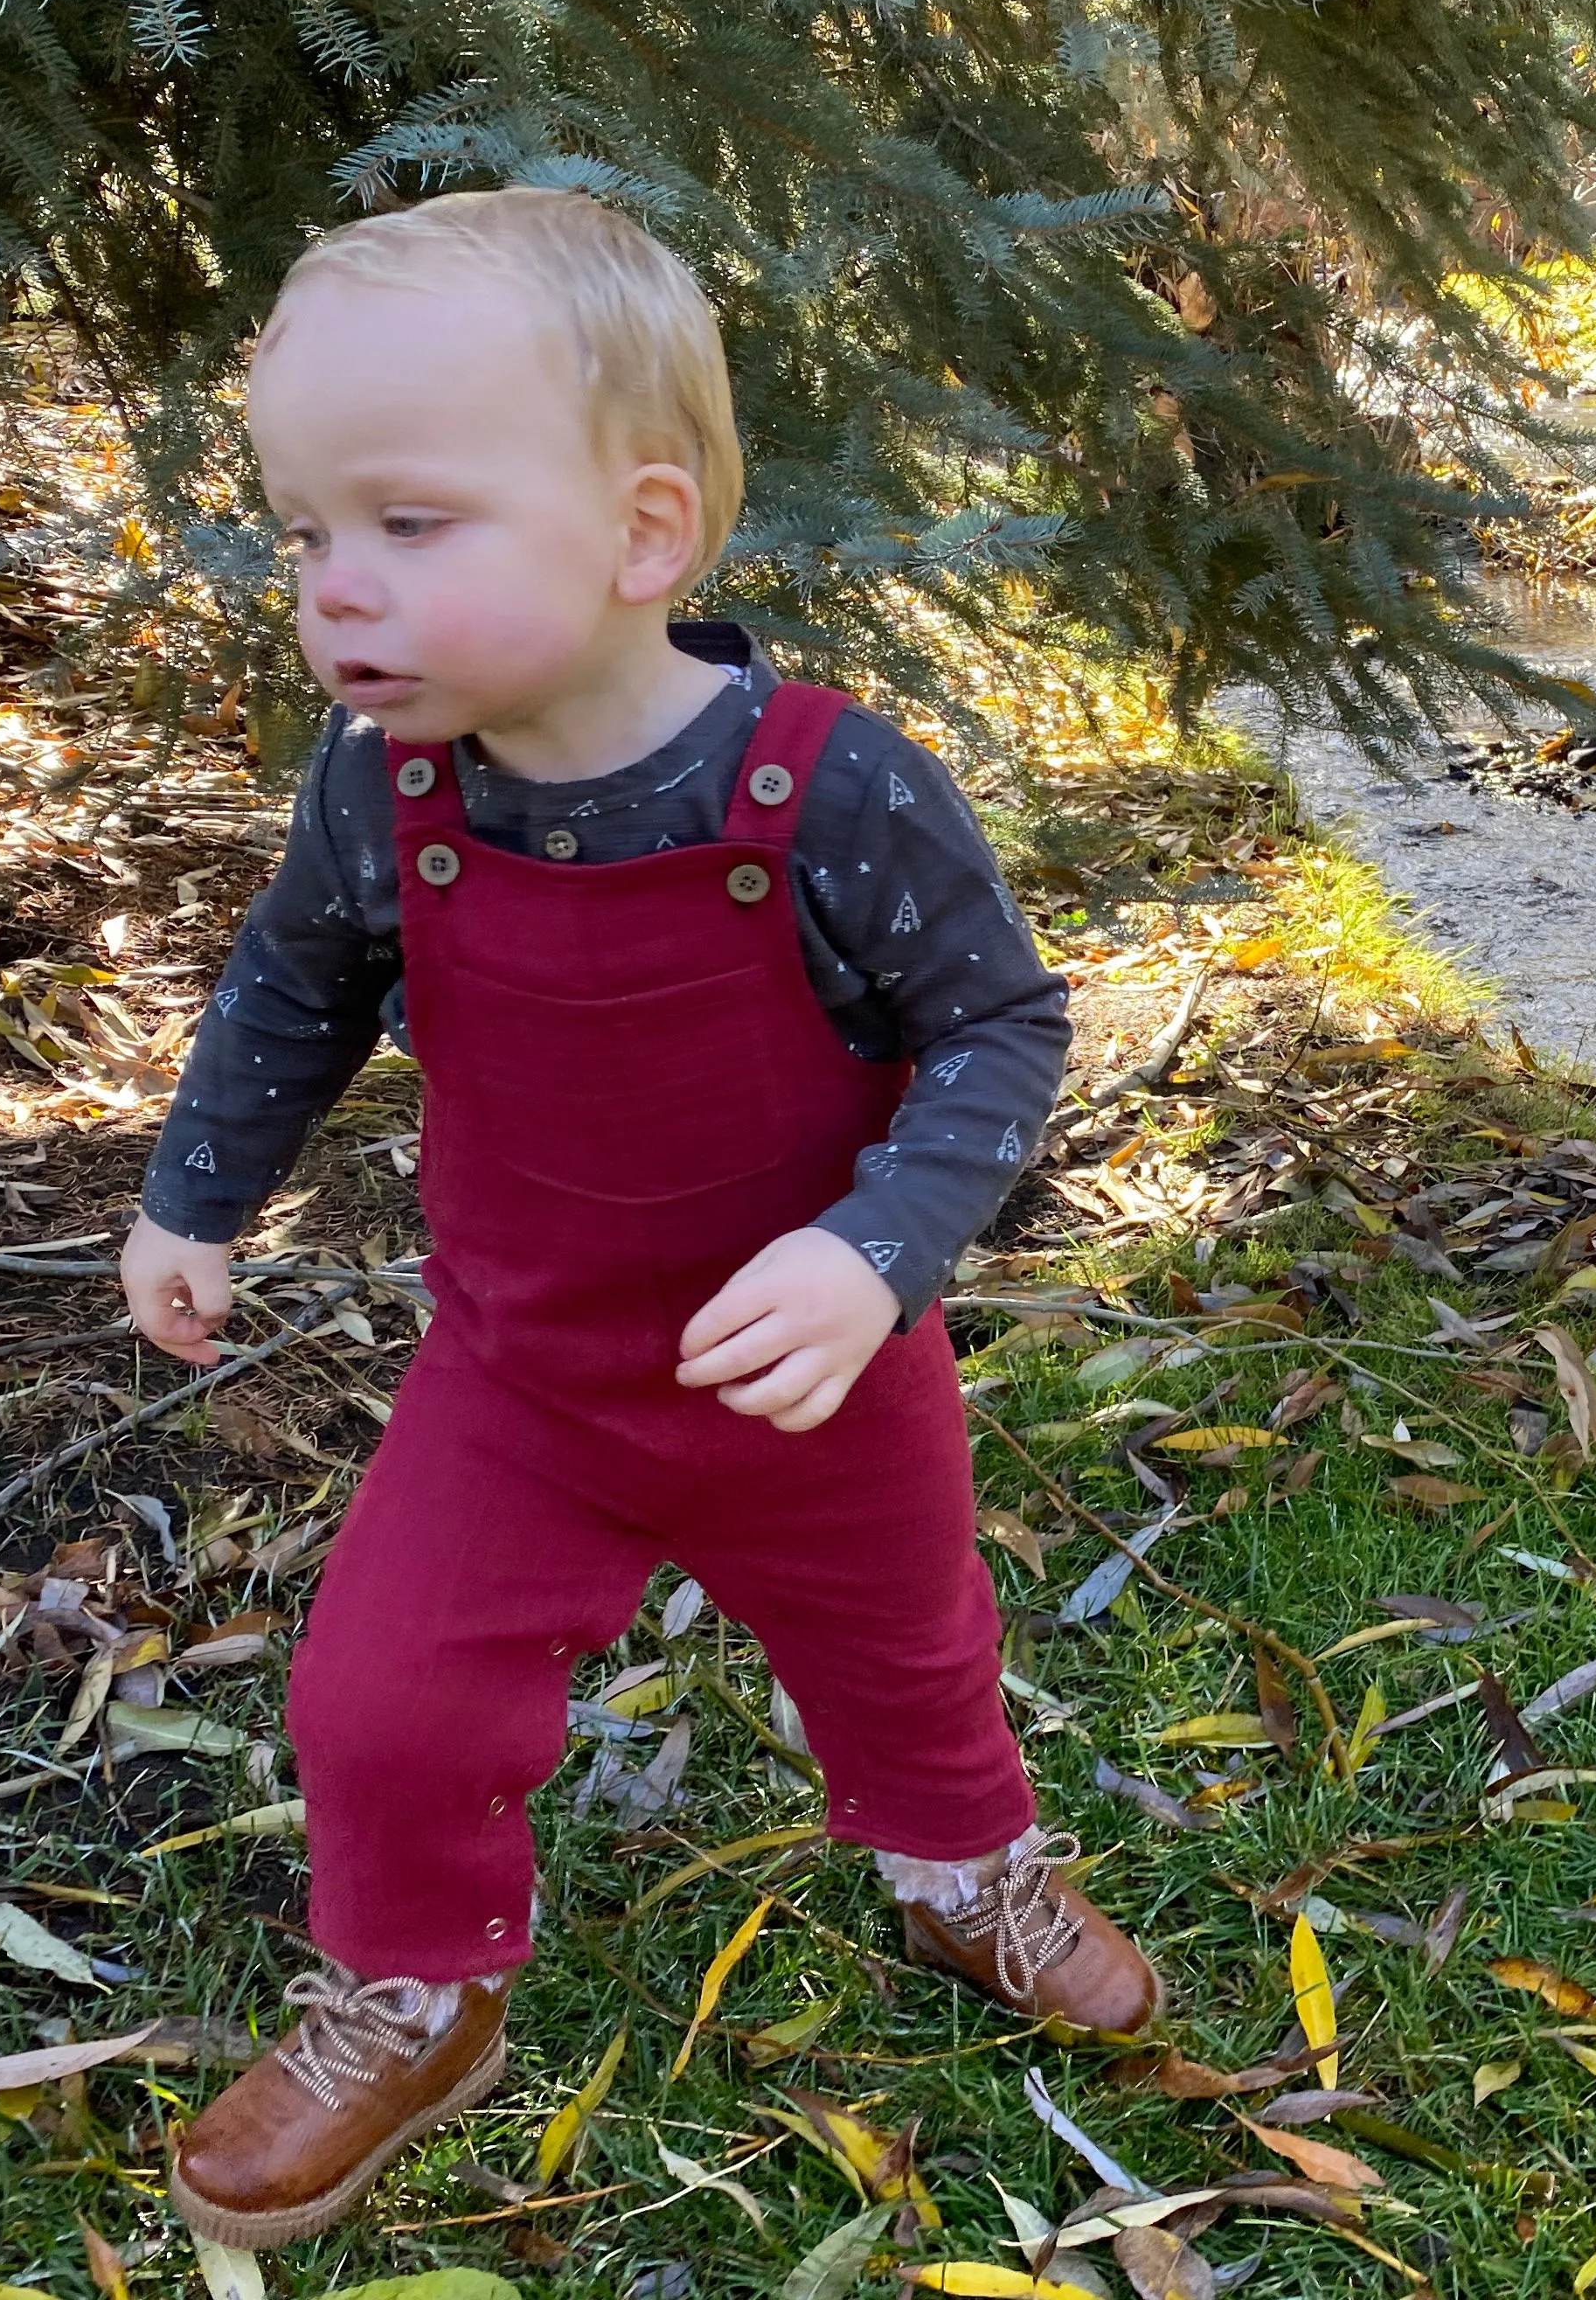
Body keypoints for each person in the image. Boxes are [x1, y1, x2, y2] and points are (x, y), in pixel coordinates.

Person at [117, 187, 1159, 2251]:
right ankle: (416, 1994)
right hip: (526, 1375)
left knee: (911, 1661)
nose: (336, 590)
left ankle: (968, 1876)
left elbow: (1001, 1031)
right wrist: (195, 1195)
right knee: (376, 1704)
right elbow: (295, 983)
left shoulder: (831, 796)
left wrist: (875, 1252)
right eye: (310, 532)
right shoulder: (379, 790)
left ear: (644, 535)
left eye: (411, 525)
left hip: (815, 1389)